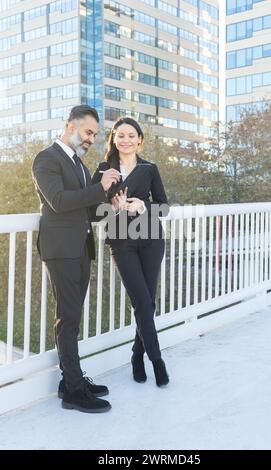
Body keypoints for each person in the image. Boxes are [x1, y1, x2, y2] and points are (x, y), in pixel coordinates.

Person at [32, 105, 120, 413]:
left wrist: (112, 204)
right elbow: (57, 202)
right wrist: (100, 188)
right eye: (87, 132)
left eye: (95, 135)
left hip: (81, 247)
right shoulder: (46, 159)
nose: (91, 139)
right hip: (61, 249)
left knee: (73, 317)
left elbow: (87, 210)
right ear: (70, 126)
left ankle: (70, 378)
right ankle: (73, 390)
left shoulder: (80, 165)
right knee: (68, 318)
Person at [92, 117, 170, 387]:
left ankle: (137, 355)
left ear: (140, 140)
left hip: (151, 239)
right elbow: (91, 211)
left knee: (149, 302)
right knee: (141, 301)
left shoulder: (150, 168)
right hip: (121, 241)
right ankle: (157, 361)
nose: (125, 140)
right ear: (114, 139)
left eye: (131, 135)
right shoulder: (104, 170)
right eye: (120, 135)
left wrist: (142, 208)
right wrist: (112, 207)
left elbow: (164, 207)